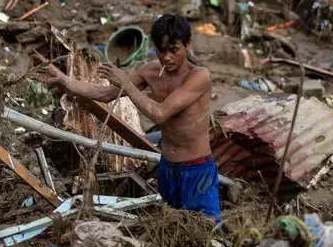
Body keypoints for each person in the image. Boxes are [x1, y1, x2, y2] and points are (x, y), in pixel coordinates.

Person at [39, 14, 221, 223]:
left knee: (207, 230)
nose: (167, 57)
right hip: (168, 168)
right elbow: (104, 93)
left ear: (187, 45)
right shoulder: (151, 72)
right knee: (175, 227)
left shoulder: (198, 76)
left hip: (197, 169)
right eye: (162, 50)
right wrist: (63, 80)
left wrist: (126, 84)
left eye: (174, 50)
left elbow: (159, 113)